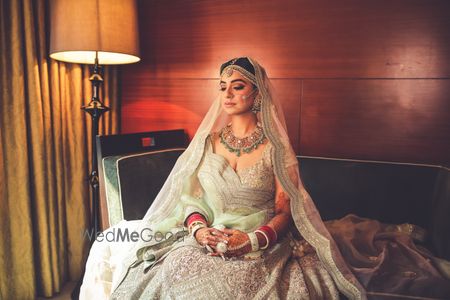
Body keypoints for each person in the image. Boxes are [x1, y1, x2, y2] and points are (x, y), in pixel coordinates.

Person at [80, 57, 450, 300]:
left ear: (257, 93)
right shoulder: (207, 142)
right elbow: (191, 199)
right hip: (209, 236)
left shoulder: (277, 147)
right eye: (222, 86)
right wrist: (198, 230)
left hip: (259, 241)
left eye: (237, 86)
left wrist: (253, 239)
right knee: (176, 270)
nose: (227, 93)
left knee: (238, 286)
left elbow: (284, 209)